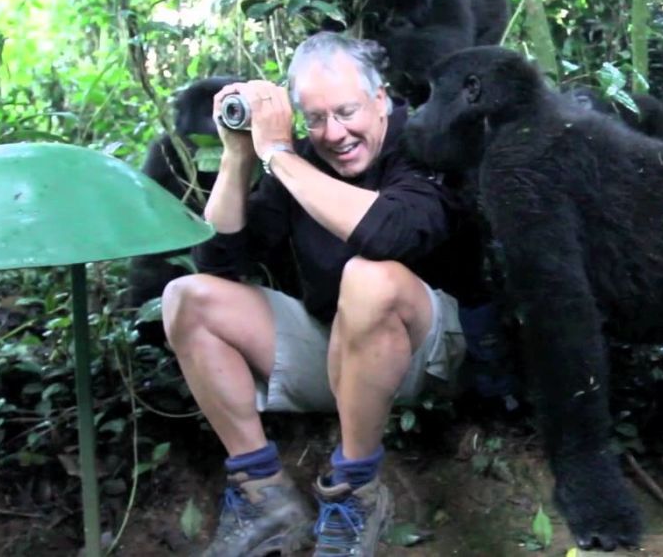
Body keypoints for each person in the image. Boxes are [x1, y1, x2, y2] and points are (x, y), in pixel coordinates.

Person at [161, 32, 486, 557]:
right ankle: (263, 496)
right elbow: (219, 261)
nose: (334, 133)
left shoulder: (425, 139)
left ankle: (355, 489)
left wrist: (279, 155)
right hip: (339, 347)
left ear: (380, 98)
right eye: (315, 119)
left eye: (346, 112)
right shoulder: (303, 159)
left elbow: (389, 236)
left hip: (430, 355)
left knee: (368, 276)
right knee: (187, 297)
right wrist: (240, 155)